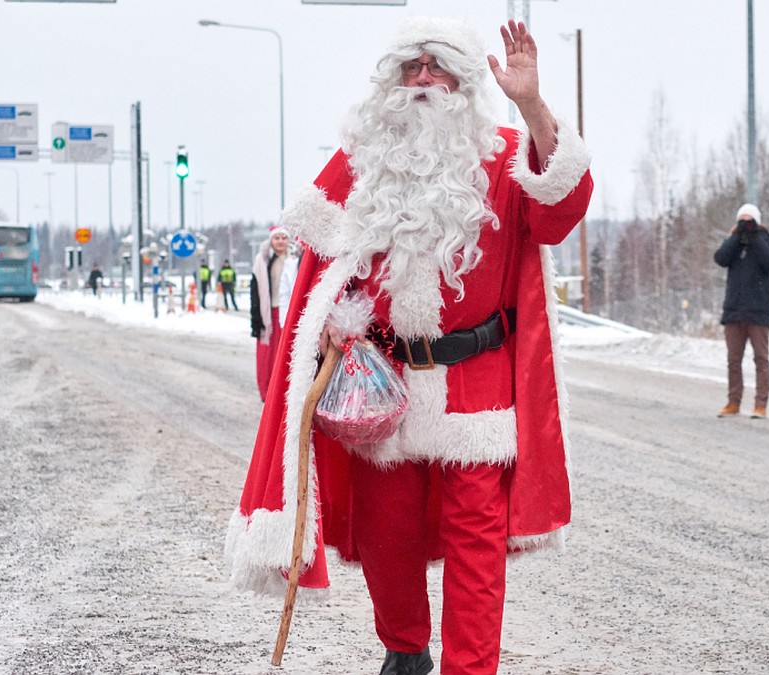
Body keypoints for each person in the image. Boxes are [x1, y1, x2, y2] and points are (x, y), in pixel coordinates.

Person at [224, 17, 592, 675]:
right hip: (383, 392)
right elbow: (321, 264)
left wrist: (532, 103)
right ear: (391, 83)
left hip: (476, 391)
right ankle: (405, 649)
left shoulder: (507, 152)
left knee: (476, 550)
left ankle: (469, 668)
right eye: (411, 67)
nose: (424, 78)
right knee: (387, 540)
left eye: (438, 65)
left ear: (465, 78)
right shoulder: (362, 163)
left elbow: (562, 211)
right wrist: (336, 317)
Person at [713, 203, 769, 419]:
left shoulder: (768, 242)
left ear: (759, 222)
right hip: (734, 311)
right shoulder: (734, 244)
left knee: (761, 359)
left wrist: (757, 237)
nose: (746, 226)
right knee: (733, 360)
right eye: (742, 221)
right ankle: (733, 401)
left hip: (758, 312)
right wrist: (736, 237)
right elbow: (720, 258)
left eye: (750, 221)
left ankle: (761, 404)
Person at [249, 227, 299, 402]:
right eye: (276, 238)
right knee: (267, 355)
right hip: (267, 313)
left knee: (284, 352)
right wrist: (257, 319)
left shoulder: (294, 260)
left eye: (283, 238)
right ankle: (267, 391)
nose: (280, 241)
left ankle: (284, 391)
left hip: (286, 311)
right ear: (271, 241)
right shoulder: (262, 261)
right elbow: (255, 290)